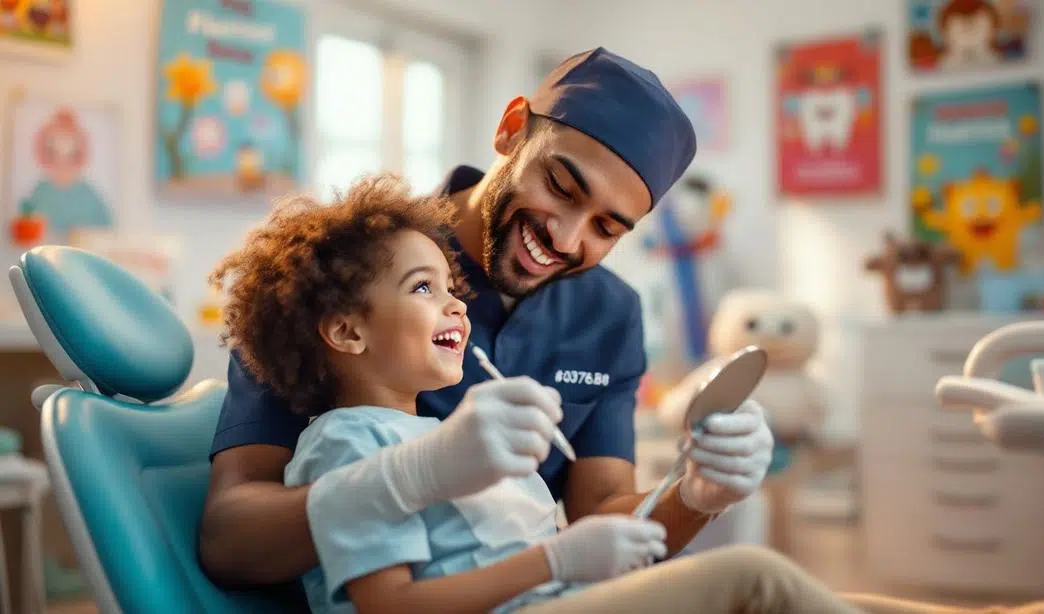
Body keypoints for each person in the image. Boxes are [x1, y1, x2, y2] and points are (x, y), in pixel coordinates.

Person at [198, 46, 775, 592]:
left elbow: (599, 517)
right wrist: (414, 477)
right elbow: (230, 539)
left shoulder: (610, 315)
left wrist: (696, 495)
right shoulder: (345, 273)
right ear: (511, 128)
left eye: (606, 229)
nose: (566, 237)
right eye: (560, 186)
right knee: (756, 583)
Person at [209, 173, 861, 614]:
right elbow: (393, 606)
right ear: (347, 330)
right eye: (422, 288)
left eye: (449, 288)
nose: (456, 307)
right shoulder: (353, 444)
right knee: (756, 581)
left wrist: (694, 492)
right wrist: (554, 558)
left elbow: (585, 526)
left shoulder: (444, 441)